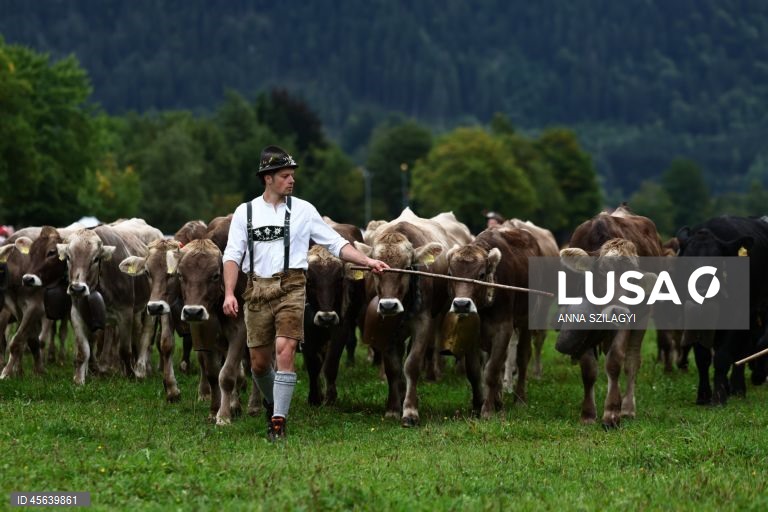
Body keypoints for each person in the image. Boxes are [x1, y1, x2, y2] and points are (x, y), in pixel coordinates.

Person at [222, 145, 389, 441]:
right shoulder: (244, 212)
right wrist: (229, 293)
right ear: (268, 178)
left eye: (292, 175)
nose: (292, 180)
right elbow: (232, 255)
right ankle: (273, 401)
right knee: (259, 363)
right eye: (285, 176)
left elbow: (336, 244)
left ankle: (278, 421)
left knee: (285, 349)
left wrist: (367, 261)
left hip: (292, 287)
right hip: (256, 289)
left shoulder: (304, 210)